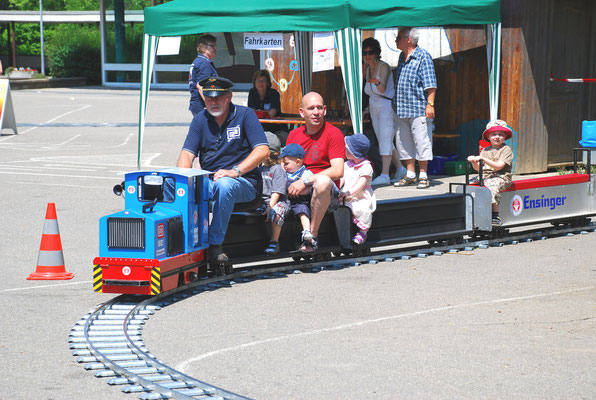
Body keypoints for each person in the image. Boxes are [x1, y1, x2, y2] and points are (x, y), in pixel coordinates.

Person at [177, 77, 269, 265]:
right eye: (209, 98)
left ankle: (214, 245)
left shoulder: (245, 115)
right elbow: (186, 155)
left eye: (218, 98)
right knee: (173, 184)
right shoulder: (199, 120)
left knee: (225, 184)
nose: (213, 102)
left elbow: (263, 151)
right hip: (210, 181)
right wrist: (182, 179)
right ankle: (182, 243)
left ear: (229, 96)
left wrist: (235, 171)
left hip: (245, 183)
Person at [285, 92, 345, 251]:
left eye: (319, 108)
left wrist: (306, 181)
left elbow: (338, 170)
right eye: (311, 108)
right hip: (298, 188)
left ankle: (312, 235)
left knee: (322, 181)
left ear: (325, 110)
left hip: (326, 192)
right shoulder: (293, 135)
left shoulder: (334, 133)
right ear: (301, 112)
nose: (316, 112)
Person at [392, 27, 437, 189]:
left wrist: (430, 104)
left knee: (421, 141)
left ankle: (423, 175)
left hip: (418, 107)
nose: (395, 40)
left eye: (398, 38)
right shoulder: (401, 56)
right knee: (403, 142)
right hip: (402, 108)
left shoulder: (423, 56)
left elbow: (430, 84)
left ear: (408, 39)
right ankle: (410, 174)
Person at [362, 37, 407, 186]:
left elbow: (381, 89)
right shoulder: (367, 68)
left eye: (371, 52)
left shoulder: (384, 67)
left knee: (386, 138)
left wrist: (376, 81)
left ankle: (385, 174)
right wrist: (366, 110)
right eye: (365, 52)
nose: (367, 55)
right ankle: (400, 168)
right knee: (383, 139)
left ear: (377, 53)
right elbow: (372, 94)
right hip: (374, 107)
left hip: (386, 106)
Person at [467, 120, 514, 227]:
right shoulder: (485, 150)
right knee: (468, 185)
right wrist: (474, 162)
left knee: (492, 186)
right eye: (493, 134)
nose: (497, 137)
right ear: (488, 137)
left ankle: (495, 215)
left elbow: (499, 166)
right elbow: (479, 169)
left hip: (502, 177)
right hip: (486, 176)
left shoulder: (506, 149)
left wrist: (483, 159)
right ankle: (470, 211)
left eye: (500, 134)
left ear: (505, 136)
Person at [340, 134, 377, 245]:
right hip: (346, 194)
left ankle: (363, 232)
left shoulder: (366, 167)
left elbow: (361, 184)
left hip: (361, 196)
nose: (344, 149)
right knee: (339, 207)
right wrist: (338, 189)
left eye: (347, 148)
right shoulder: (347, 164)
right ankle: (343, 232)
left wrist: (348, 193)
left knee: (363, 209)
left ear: (354, 151)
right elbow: (342, 178)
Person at [278, 143, 315, 251]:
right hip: (286, 200)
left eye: (286, 163)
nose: (284, 166)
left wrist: (299, 191)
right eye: (282, 163)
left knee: (303, 212)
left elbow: (310, 189)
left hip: (299, 201)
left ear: (298, 162)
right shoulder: (284, 173)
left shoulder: (306, 173)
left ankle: (307, 231)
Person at [258, 132, 288, 254]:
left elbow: (277, 191)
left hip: (278, 201)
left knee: (277, 210)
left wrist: (270, 206)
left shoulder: (278, 170)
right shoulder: (260, 169)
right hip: (263, 202)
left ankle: (274, 242)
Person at [248, 69, 288, 145]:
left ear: (267, 83)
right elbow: (251, 111)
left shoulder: (274, 93)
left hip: (276, 130)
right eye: (258, 81)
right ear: (254, 82)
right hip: (260, 129)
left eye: (263, 81)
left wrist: (259, 114)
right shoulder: (252, 92)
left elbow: (272, 113)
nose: (260, 83)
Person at [188, 34, 218, 117]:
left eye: (215, 45)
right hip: (202, 105)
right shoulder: (204, 63)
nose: (215, 48)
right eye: (211, 46)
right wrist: (210, 104)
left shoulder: (198, 60)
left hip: (197, 104)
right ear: (202, 47)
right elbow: (201, 86)